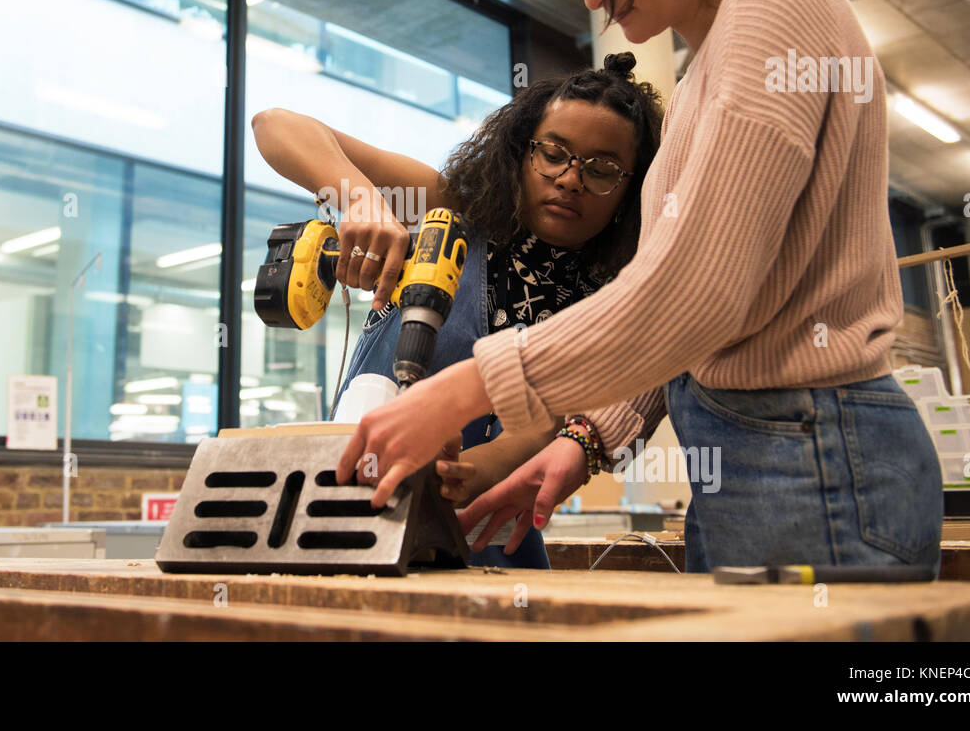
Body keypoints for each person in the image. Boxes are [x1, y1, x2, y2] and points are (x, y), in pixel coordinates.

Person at [336, 0, 943, 576]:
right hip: (756, 453)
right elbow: (703, 314)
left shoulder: (776, 5)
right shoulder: (699, 81)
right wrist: (588, 440)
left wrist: (459, 390)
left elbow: (695, 293)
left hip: (814, 454)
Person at [251, 57, 663, 567]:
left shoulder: (615, 301)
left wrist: (465, 472)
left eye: (601, 170)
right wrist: (360, 199)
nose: (570, 179)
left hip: (484, 542)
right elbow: (274, 125)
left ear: (632, 191)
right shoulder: (446, 211)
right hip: (342, 517)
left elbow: (541, 428)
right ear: (521, 152)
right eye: (553, 154)